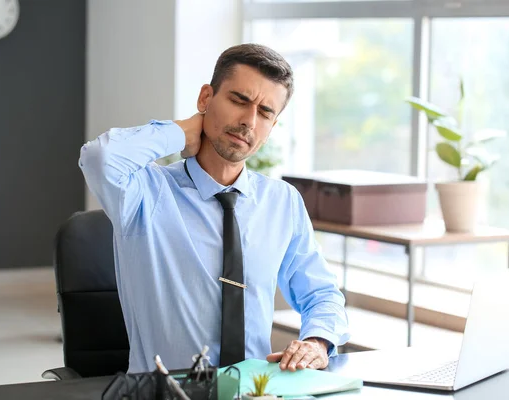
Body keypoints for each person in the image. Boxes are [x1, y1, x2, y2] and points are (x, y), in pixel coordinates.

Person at [79, 43, 349, 374]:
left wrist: (318, 342)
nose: (249, 121)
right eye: (239, 101)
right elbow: (99, 158)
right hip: (167, 393)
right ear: (206, 99)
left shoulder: (282, 201)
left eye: (265, 113)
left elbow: (322, 293)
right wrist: (180, 131)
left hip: (254, 391)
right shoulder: (145, 193)